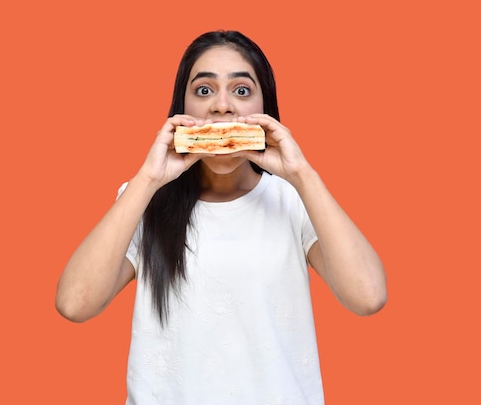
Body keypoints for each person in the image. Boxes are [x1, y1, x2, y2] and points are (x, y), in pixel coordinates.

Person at [56, 29, 387, 404]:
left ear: (266, 109)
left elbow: (369, 296)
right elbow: (74, 303)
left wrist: (303, 175)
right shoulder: (144, 199)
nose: (222, 107)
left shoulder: (294, 198)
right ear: (181, 108)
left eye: (242, 91)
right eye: (204, 90)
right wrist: (147, 179)